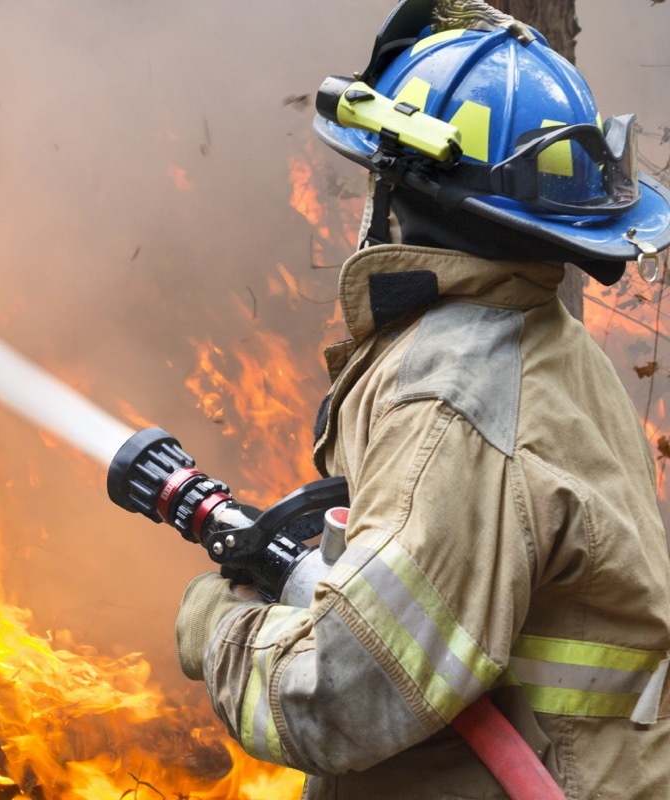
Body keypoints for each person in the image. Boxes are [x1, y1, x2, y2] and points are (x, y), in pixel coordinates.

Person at [173, 0, 670, 797]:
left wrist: (215, 624)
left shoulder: (454, 401)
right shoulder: (537, 337)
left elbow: (340, 696)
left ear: (403, 191)